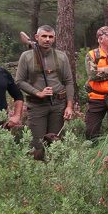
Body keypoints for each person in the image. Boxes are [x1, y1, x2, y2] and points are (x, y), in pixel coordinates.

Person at [15, 25, 75, 159]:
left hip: (58, 105)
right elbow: (19, 81)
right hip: (37, 105)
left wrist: (69, 106)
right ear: (37, 37)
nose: (47, 39)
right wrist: (37, 92)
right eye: (44, 36)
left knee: (56, 142)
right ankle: (39, 173)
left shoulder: (61, 56)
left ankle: (56, 173)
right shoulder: (26, 56)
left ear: (54, 38)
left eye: (50, 37)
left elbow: (69, 82)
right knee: (37, 144)